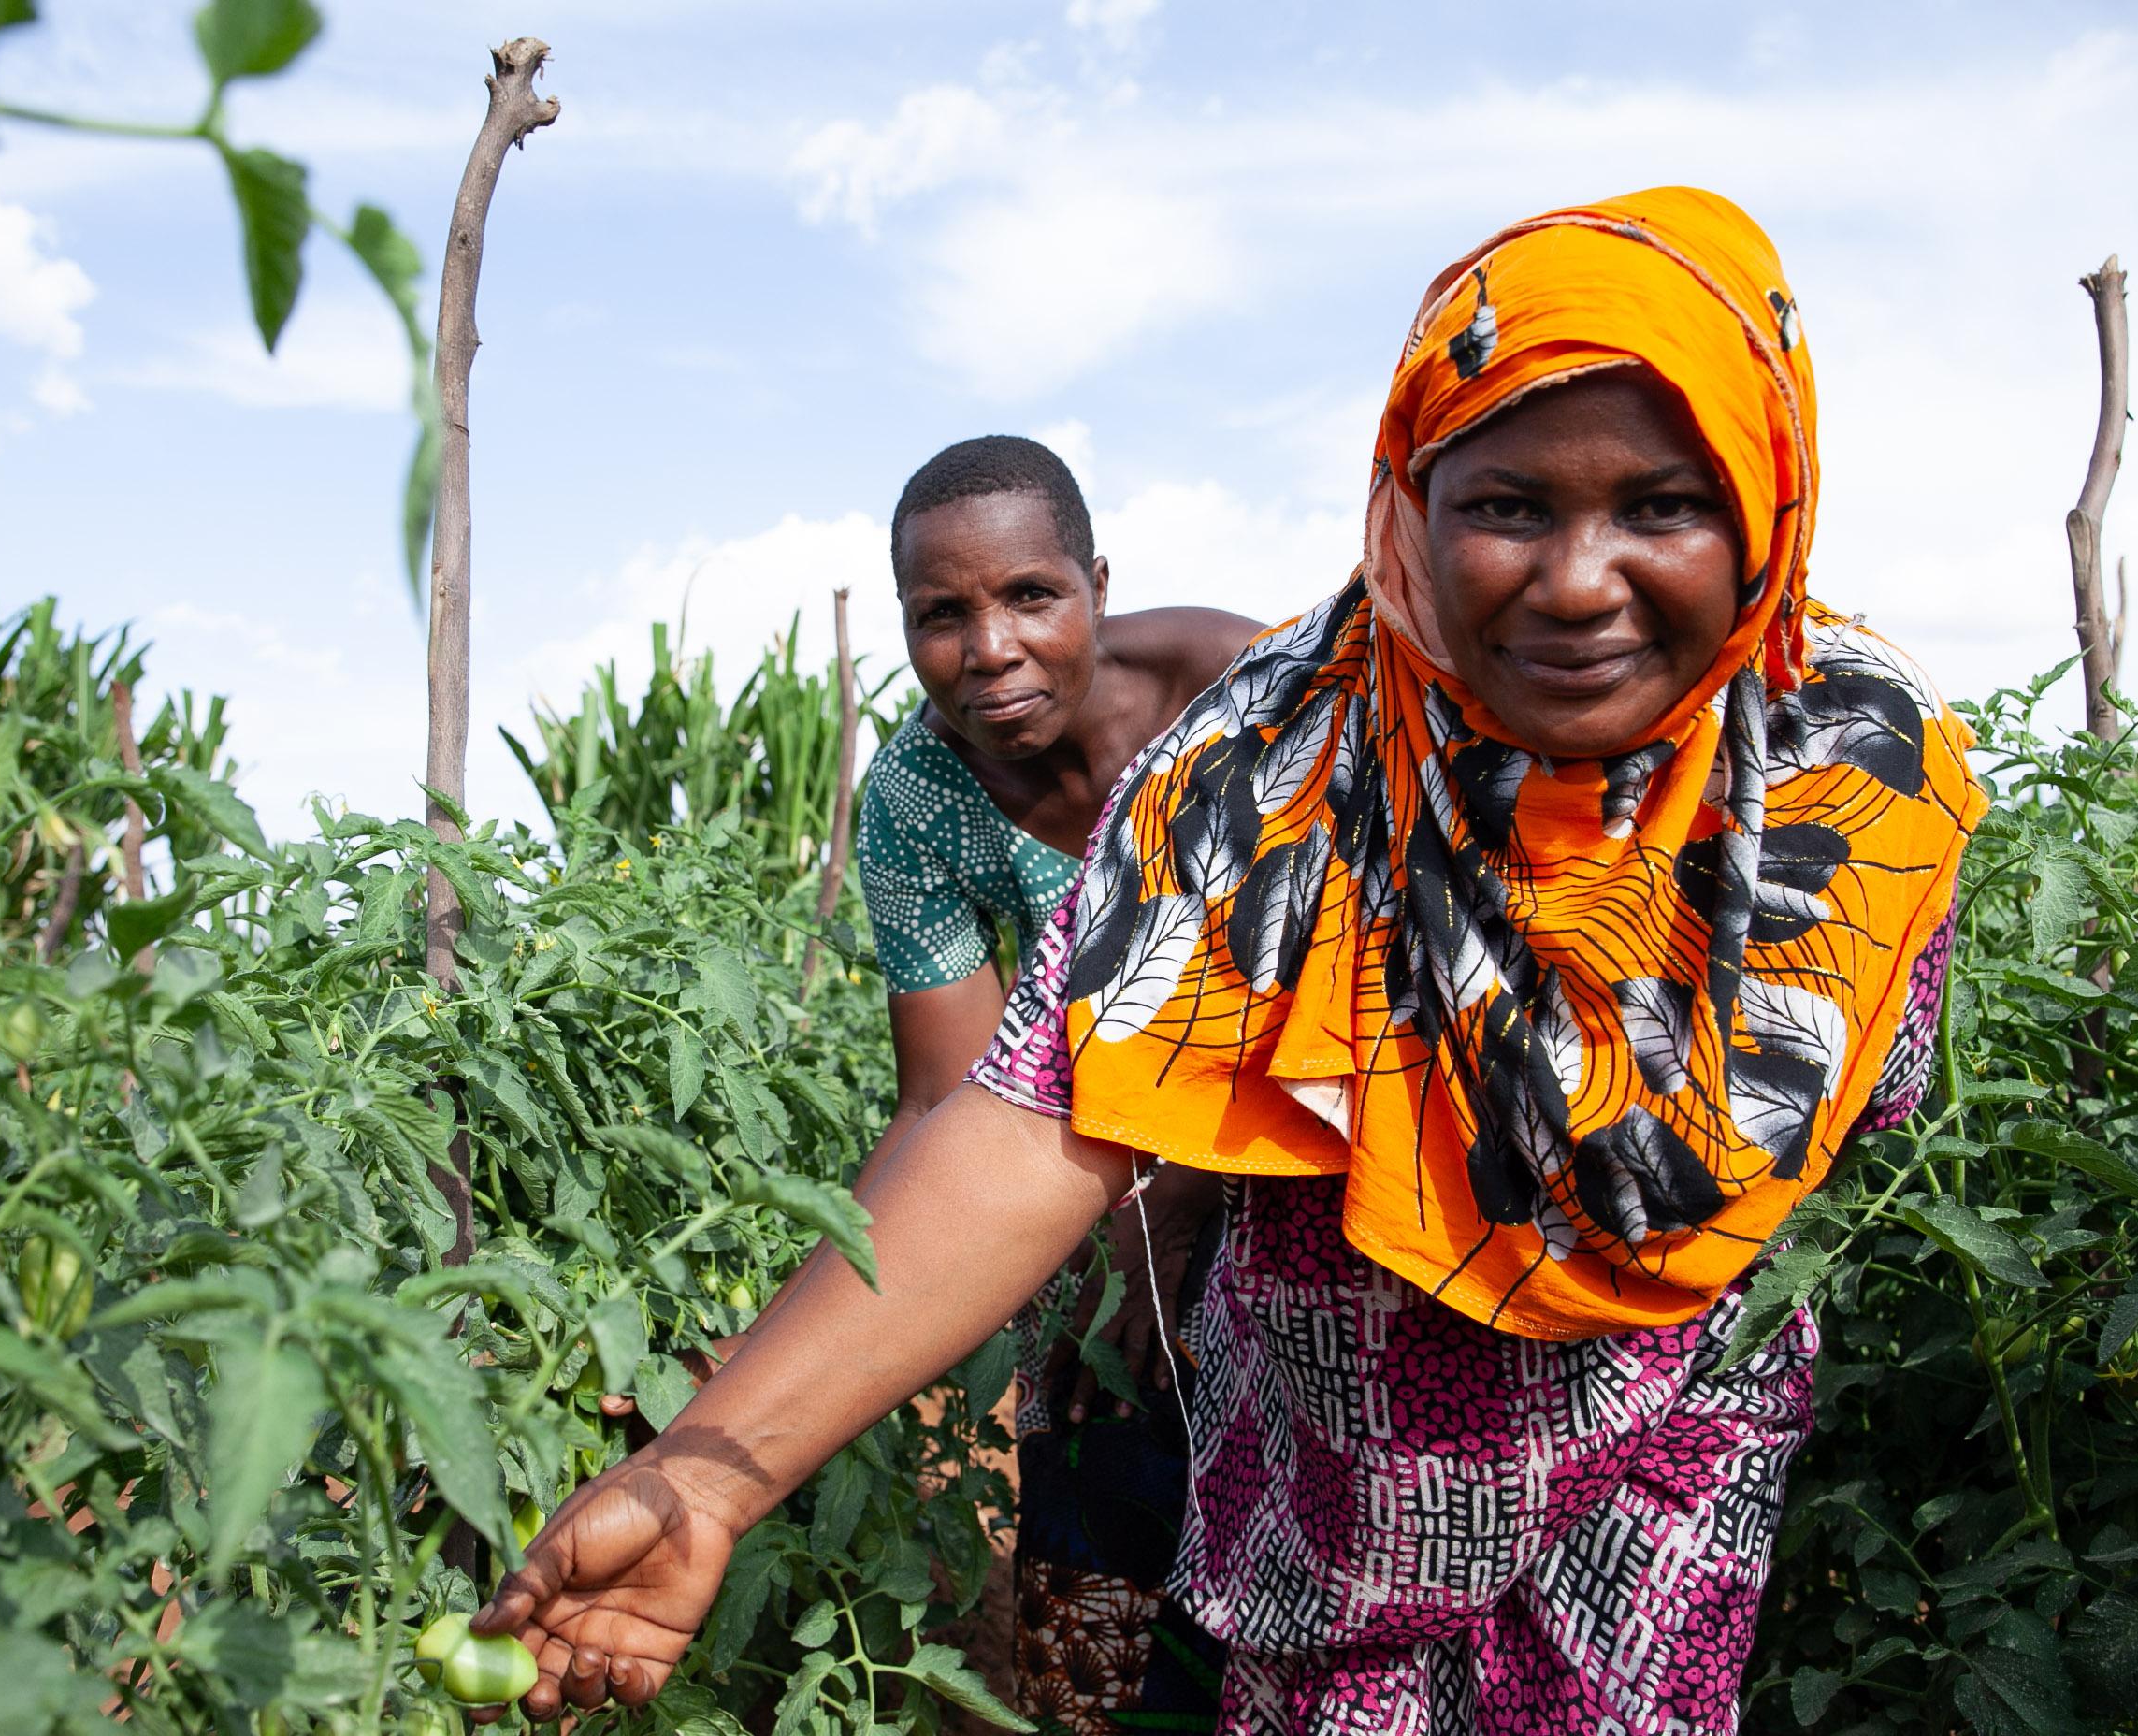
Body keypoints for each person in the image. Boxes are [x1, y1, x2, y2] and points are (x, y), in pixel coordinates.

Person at [474, 188, 1986, 1734]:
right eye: (1509, 506)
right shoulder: (1288, 748)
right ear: (1412, 502)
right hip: (1340, 1482)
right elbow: (1037, 1106)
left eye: (1662, 505)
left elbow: (1768, 1147)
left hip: (1659, 1484)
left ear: (1764, 499)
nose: (1577, 579)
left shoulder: (1842, 768)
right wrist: (701, 1477)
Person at [766, 434, 1258, 1729]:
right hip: (1069, 1217)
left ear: (1095, 581)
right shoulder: (921, 796)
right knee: (1090, 1589)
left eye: (1030, 596)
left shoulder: (1237, 692)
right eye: (943, 614)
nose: (988, 649)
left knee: (1284, 1575)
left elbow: (1354, 996)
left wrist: (1185, 1193)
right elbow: (944, 1095)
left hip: (1297, 1199)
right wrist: (805, 1327)